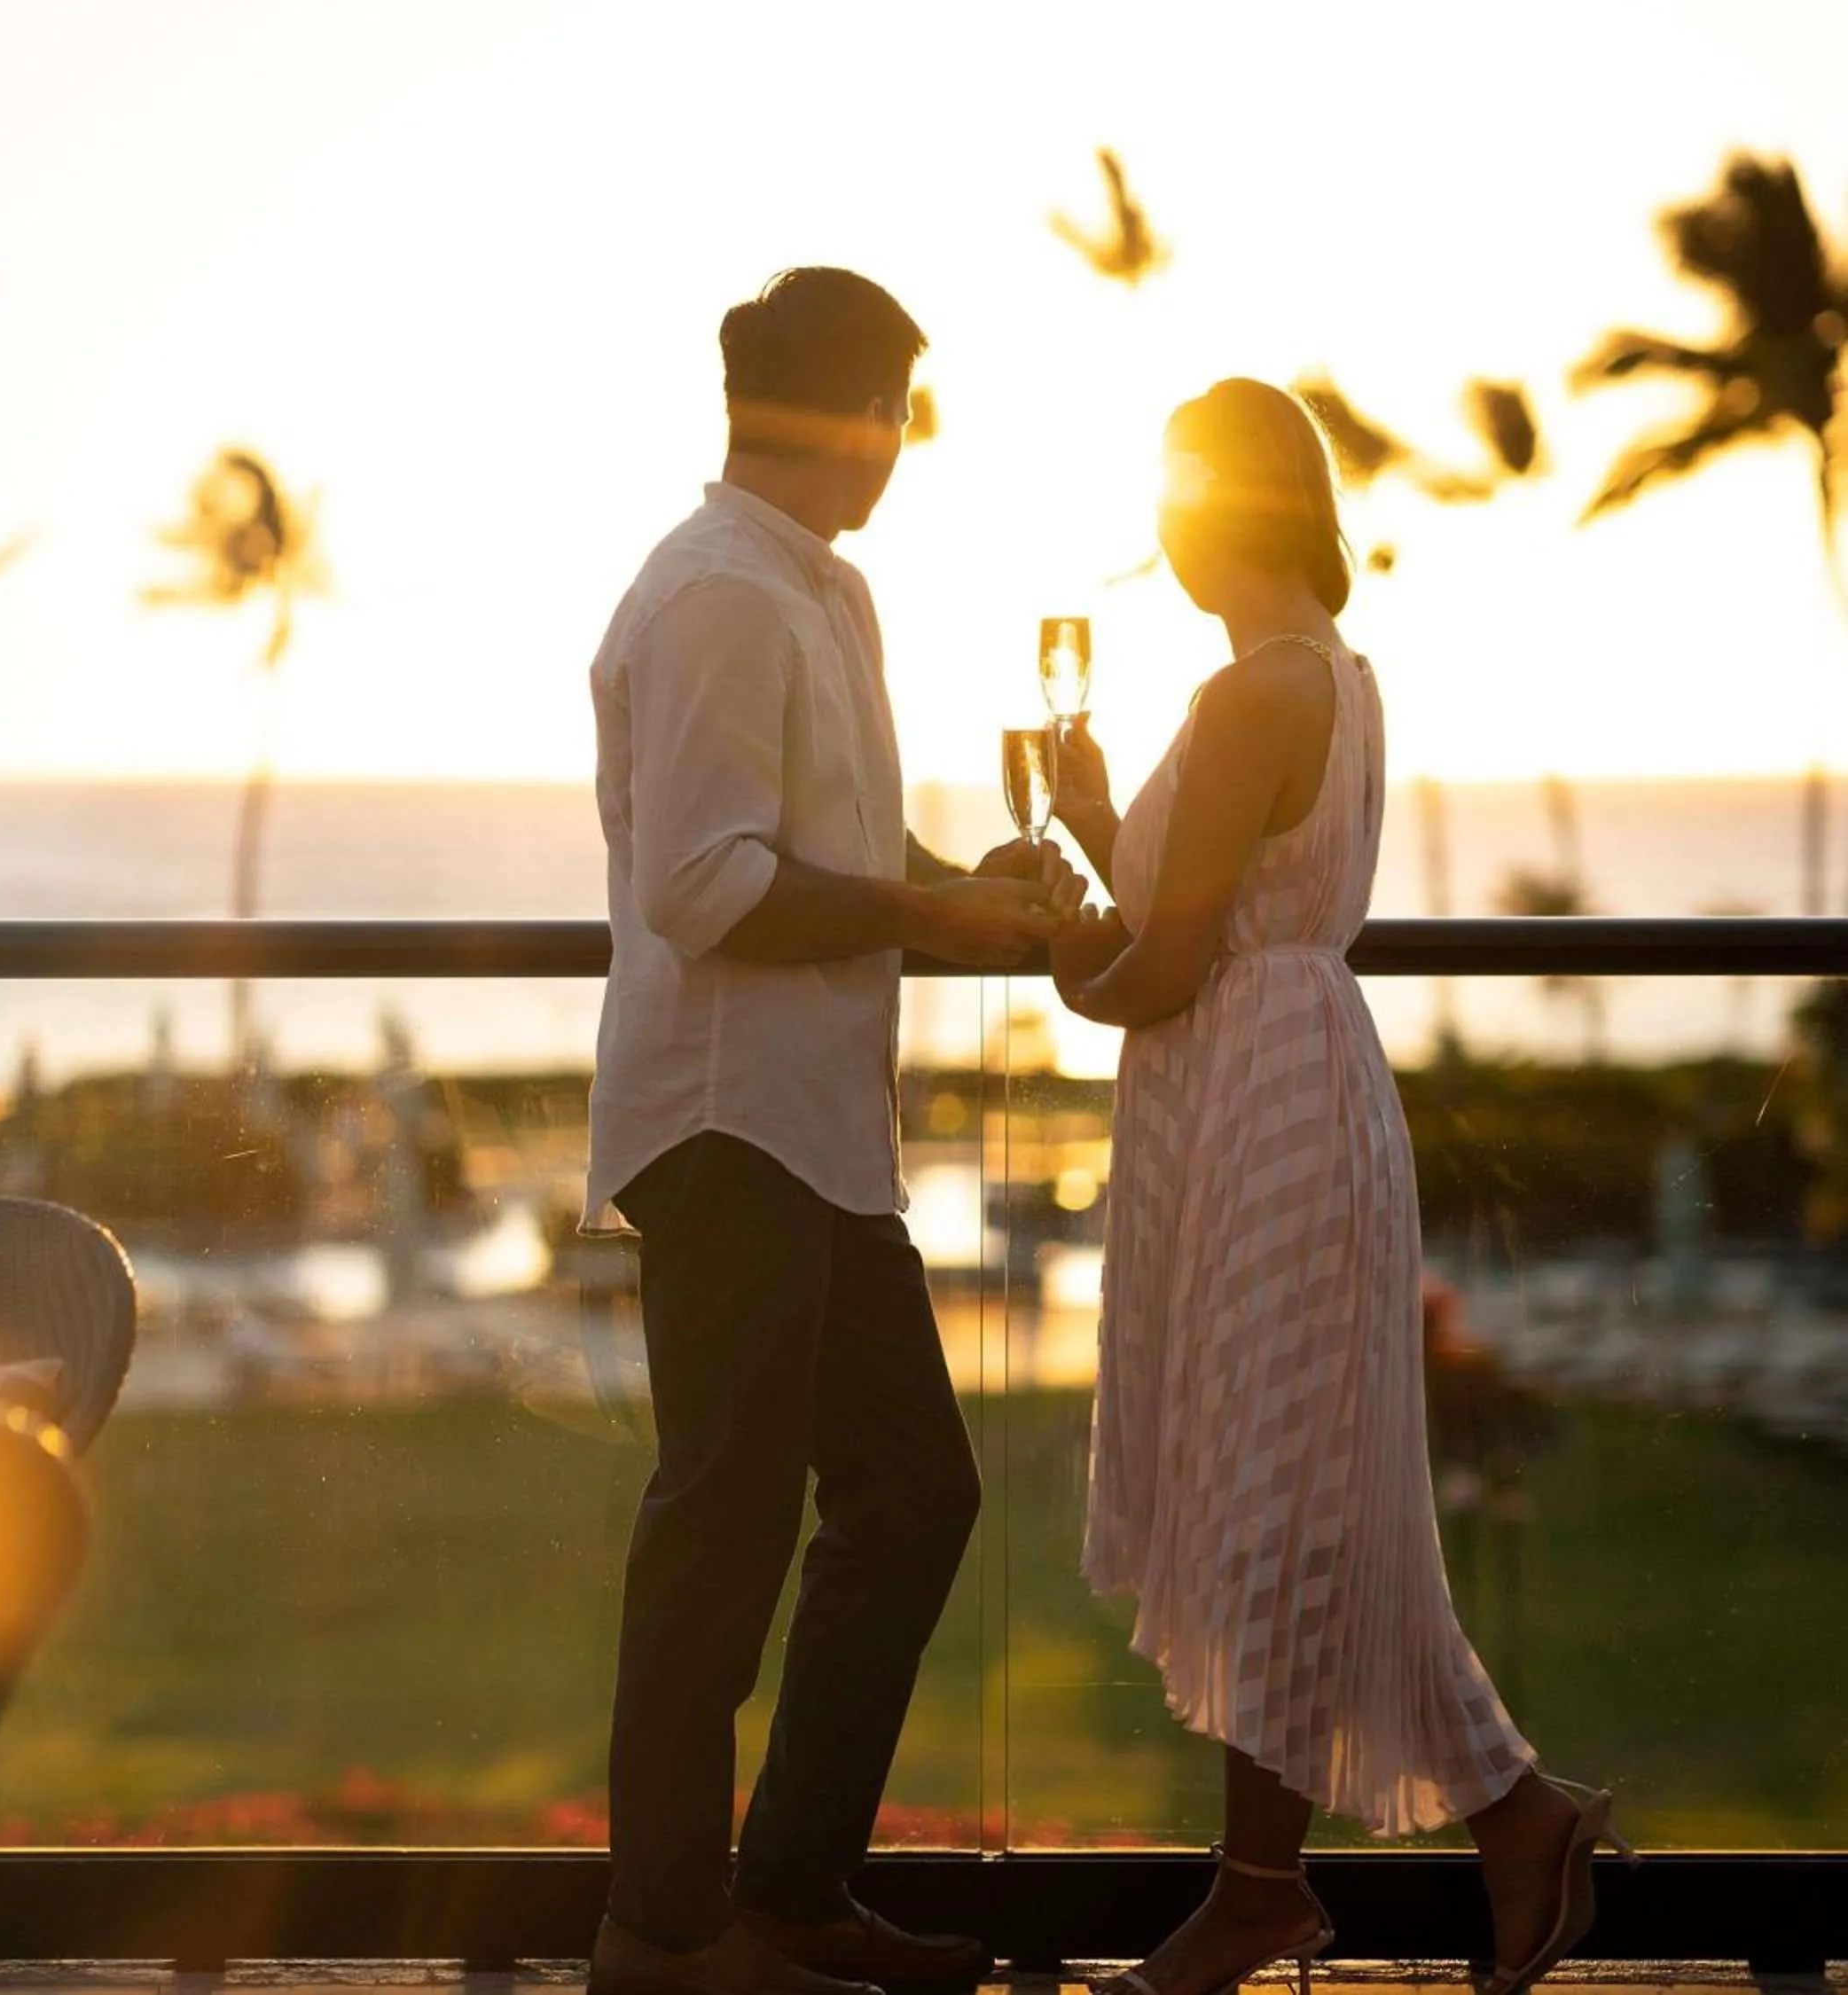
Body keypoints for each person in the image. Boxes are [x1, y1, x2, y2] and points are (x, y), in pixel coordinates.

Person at [1047, 379, 1631, 1995]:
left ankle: (1263, 1893)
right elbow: (1219, 916)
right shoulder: (1335, 680)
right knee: (1318, 1499)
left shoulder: (1251, 697)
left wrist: (1057, 949)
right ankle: (1513, 1825)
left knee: (1276, 1505)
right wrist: (1103, 834)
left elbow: (1167, 967)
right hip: (1305, 1083)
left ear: (1209, 515)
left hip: (1266, 1111)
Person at [584, 266, 1084, 1995]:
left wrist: (968, 892)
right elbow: (709, 889)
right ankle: (662, 1941)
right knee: (719, 1537)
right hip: (728, 1136)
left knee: (911, 1494)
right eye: (895, 409)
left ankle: (788, 1898)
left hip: (818, 1146)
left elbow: (840, 852)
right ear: (839, 413)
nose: (901, 445)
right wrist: (926, 918)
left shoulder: (829, 596)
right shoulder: (717, 597)